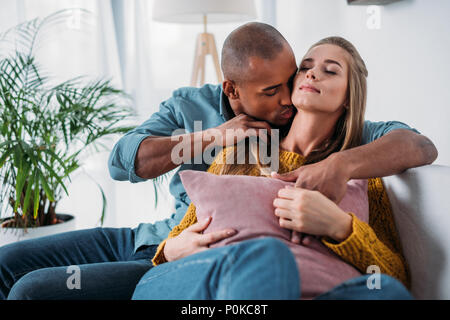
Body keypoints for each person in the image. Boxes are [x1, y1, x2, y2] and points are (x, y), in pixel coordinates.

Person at [0, 23, 436, 300]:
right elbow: (122, 161)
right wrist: (210, 139)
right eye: (275, 89)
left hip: (231, 264)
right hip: (159, 243)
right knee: (16, 274)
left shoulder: (355, 147)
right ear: (231, 90)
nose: (290, 94)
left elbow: (419, 147)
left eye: (294, 78)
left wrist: (339, 175)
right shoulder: (207, 121)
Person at [132, 36, 416, 300]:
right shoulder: (238, 157)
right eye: (305, 68)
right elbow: (169, 248)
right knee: (271, 255)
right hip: (207, 283)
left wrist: (340, 227)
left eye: (330, 71)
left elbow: (395, 276)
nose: (312, 74)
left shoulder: (364, 177)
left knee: (387, 291)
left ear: (348, 97)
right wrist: (171, 250)